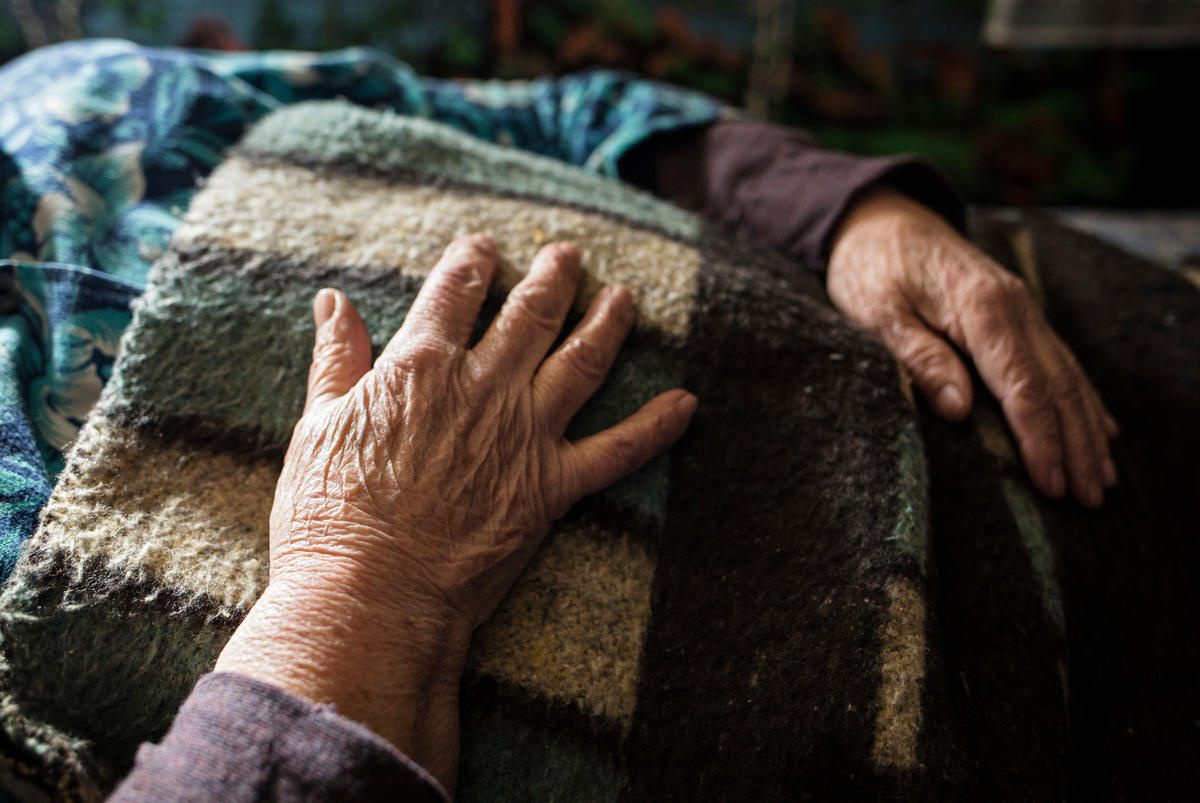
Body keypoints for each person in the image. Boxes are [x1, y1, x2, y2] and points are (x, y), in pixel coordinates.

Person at [0, 39, 1116, 801]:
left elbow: (568, 113)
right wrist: (367, 580)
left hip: (1074, 367)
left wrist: (856, 216)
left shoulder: (82, 85)